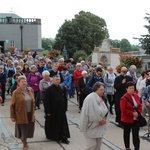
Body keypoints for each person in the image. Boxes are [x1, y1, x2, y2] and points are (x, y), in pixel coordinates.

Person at [80, 82, 108, 150]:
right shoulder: (90, 98)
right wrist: (100, 120)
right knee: (91, 145)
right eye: (101, 90)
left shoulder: (102, 97)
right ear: (96, 89)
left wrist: (104, 119)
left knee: (98, 146)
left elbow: (105, 110)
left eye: (103, 90)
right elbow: (91, 113)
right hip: (91, 126)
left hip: (99, 127)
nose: (102, 91)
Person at [10, 75, 35, 150]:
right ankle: (25, 143)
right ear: (18, 83)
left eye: (25, 81)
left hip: (30, 113)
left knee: (29, 129)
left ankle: (25, 140)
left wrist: (34, 111)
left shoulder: (30, 90)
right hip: (21, 114)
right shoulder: (16, 92)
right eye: (22, 82)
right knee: (23, 129)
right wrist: (12, 116)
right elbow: (12, 105)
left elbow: (33, 101)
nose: (24, 83)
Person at [43, 75, 70, 144]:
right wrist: (48, 111)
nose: (58, 81)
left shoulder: (62, 88)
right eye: (56, 80)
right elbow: (46, 101)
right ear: (53, 80)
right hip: (53, 110)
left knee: (63, 124)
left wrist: (65, 108)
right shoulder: (49, 90)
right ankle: (55, 136)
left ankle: (64, 137)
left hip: (61, 110)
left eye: (59, 79)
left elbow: (65, 99)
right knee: (53, 124)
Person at [120, 81, 142, 150]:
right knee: (126, 133)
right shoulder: (123, 98)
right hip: (127, 119)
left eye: (133, 88)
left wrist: (138, 113)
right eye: (130, 88)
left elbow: (140, 106)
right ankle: (127, 147)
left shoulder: (136, 96)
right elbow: (123, 110)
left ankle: (137, 147)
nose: (132, 90)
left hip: (136, 119)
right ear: (126, 89)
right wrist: (132, 113)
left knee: (136, 134)